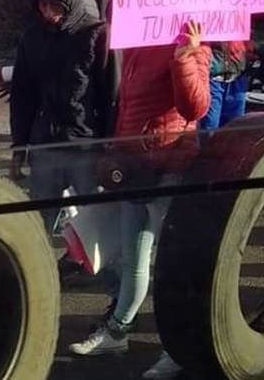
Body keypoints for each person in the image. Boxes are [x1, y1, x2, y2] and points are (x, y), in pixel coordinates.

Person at [68, 21, 210, 380]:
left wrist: (185, 57)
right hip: (134, 168)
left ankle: (178, 349)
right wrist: (115, 152)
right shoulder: (137, 42)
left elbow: (196, 108)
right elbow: (128, 109)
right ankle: (118, 333)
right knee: (134, 259)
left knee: (173, 267)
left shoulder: (190, 40)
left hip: (170, 167)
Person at [9, 0, 107, 221]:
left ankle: (86, 263)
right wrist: (19, 146)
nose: (48, 12)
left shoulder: (94, 35)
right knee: (39, 222)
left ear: (69, 1)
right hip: (45, 146)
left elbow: (111, 95)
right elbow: (22, 95)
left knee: (96, 221)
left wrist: (111, 147)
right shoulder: (31, 38)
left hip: (85, 144)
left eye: (55, 5)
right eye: (43, 5)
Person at [200, 41, 249, 131]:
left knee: (236, 125)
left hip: (237, 77)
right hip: (212, 78)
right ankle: (209, 144)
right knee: (210, 125)